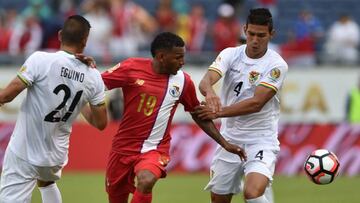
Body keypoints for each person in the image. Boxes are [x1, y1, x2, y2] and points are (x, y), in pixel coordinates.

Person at [101, 32, 246, 203]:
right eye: (178, 57)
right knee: (116, 198)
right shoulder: (131, 67)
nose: (182, 62)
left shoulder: (183, 81)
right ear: (161, 56)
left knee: (146, 180)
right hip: (122, 149)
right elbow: (97, 84)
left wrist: (225, 143)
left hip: (154, 149)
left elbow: (198, 115)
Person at [0, 15, 108, 203]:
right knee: (46, 182)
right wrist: (81, 92)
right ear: (85, 41)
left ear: (59, 35)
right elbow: (100, 123)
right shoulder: (93, 76)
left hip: (26, 150)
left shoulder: (40, 60)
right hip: (55, 155)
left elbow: (6, 96)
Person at [196, 8, 288, 203]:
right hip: (230, 138)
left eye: (261, 35)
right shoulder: (230, 54)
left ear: (272, 34)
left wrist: (217, 111)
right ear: (245, 29)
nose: (255, 40)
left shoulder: (276, 64)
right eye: (251, 34)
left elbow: (256, 103)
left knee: (252, 194)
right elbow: (205, 81)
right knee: (219, 199)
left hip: (261, 139)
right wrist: (210, 92)